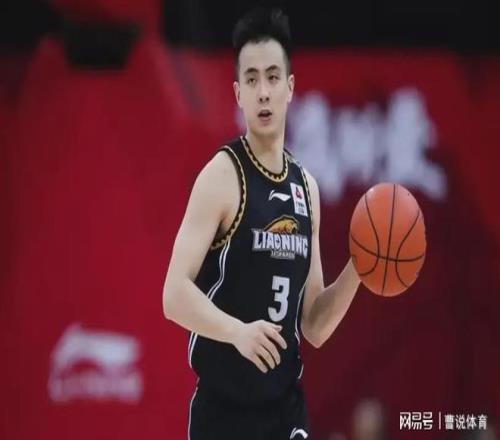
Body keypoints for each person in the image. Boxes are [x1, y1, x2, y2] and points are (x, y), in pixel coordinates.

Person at [163, 7, 361, 440]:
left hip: (285, 411)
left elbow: (313, 325)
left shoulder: (306, 188)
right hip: (224, 413)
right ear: (238, 93)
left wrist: (360, 268)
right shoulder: (222, 175)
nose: (263, 92)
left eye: (272, 78)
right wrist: (237, 332)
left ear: (290, 87)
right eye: (251, 80)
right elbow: (173, 295)